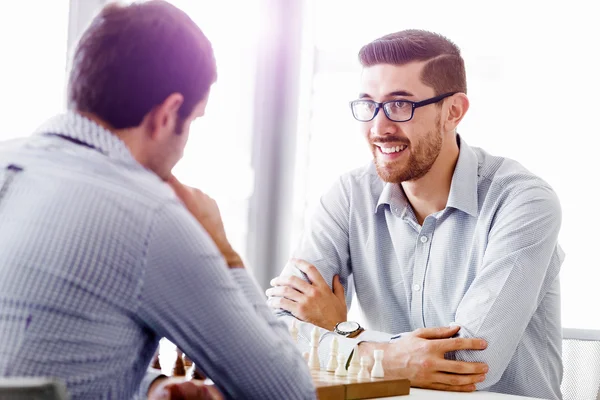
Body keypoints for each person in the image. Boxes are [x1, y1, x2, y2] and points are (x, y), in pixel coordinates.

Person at [0, 1, 315, 399]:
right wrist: (223, 250)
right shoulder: (149, 214)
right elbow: (286, 391)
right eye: (194, 124)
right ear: (168, 114)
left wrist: (150, 384)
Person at [267, 29, 564, 399]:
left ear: (452, 111)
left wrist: (346, 332)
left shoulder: (523, 201)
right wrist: (384, 353)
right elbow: (275, 328)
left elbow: (466, 361)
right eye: (368, 105)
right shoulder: (349, 195)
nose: (378, 128)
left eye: (399, 105)